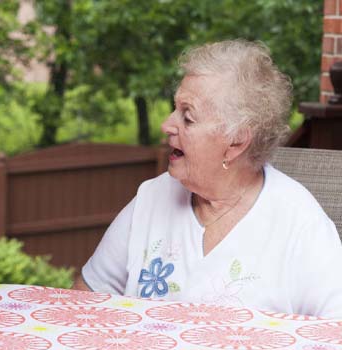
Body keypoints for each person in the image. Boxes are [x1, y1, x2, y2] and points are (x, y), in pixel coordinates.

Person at [74, 39, 342, 318]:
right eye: (174, 109)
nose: (167, 124)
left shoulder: (300, 224)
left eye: (187, 118)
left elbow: (334, 332)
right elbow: (85, 301)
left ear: (236, 142)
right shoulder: (151, 199)